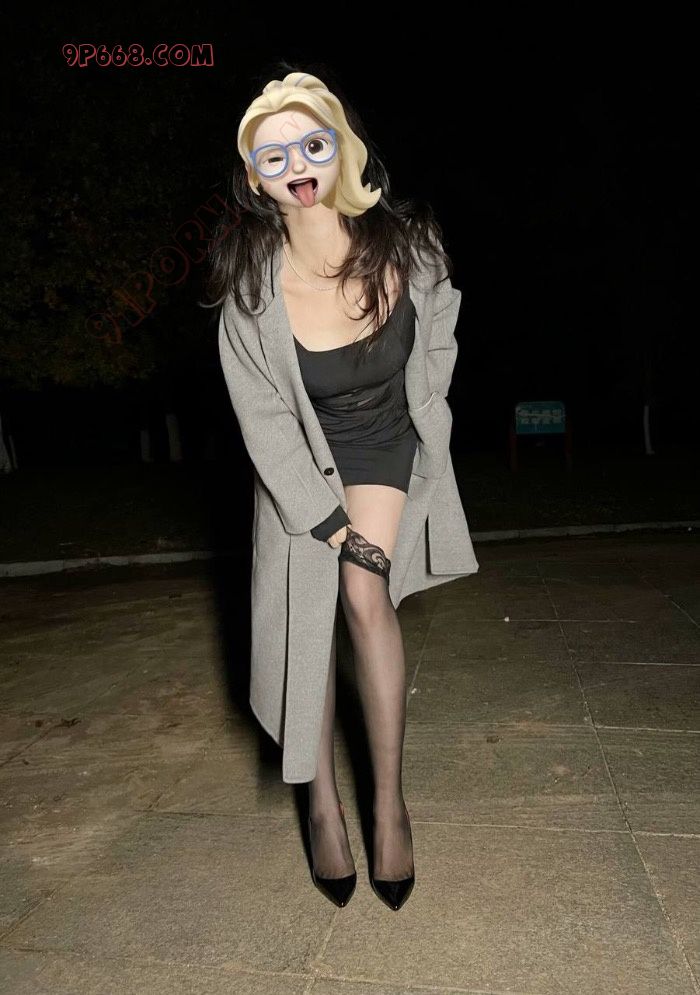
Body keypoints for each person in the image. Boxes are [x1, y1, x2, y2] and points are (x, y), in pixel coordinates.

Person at [206, 65, 479, 912]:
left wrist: (430, 407)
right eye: (274, 154)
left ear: (341, 147)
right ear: (256, 178)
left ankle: (389, 806)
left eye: (312, 144)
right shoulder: (250, 290)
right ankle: (322, 805)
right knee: (306, 620)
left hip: (385, 441)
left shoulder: (410, 245)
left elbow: (441, 329)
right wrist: (320, 518)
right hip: (302, 462)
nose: (297, 164)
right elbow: (263, 418)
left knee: (364, 592)